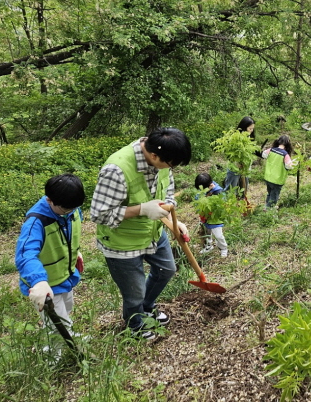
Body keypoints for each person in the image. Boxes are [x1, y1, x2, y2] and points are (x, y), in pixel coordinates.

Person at [90, 127, 192, 340]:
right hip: (122, 241)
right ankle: (134, 323)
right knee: (134, 291)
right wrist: (142, 209)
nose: (171, 169)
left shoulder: (163, 159)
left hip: (152, 233)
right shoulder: (116, 169)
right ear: (154, 155)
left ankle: (146, 307)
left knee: (166, 269)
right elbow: (99, 214)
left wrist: (172, 216)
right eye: (171, 164)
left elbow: (169, 191)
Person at [16, 174, 86, 343]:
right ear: (49, 200)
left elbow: (68, 231)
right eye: (66, 210)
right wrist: (38, 281)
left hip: (65, 275)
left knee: (67, 308)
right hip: (47, 283)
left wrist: (75, 251)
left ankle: (68, 335)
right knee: (56, 324)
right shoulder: (36, 222)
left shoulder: (71, 208)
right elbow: (25, 254)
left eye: (74, 208)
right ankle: (54, 354)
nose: (70, 212)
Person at [194, 173, 229, 258]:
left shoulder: (218, 191)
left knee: (218, 235)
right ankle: (209, 246)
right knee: (207, 233)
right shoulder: (202, 190)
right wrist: (205, 194)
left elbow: (223, 203)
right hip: (205, 217)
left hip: (215, 218)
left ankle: (223, 248)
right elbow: (197, 199)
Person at [223, 116, 259, 194]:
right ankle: (228, 204)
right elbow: (228, 153)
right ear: (244, 127)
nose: (252, 131)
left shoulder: (249, 137)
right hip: (235, 169)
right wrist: (236, 163)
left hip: (245, 169)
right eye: (250, 129)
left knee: (244, 189)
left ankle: (242, 204)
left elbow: (252, 150)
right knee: (231, 190)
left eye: (253, 129)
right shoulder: (235, 137)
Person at [262, 135, 296, 209]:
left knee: (270, 193)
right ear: (288, 144)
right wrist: (293, 163)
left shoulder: (271, 150)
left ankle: (267, 206)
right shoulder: (285, 154)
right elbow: (288, 166)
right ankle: (268, 210)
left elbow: (263, 155)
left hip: (268, 177)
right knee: (274, 197)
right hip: (277, 179)